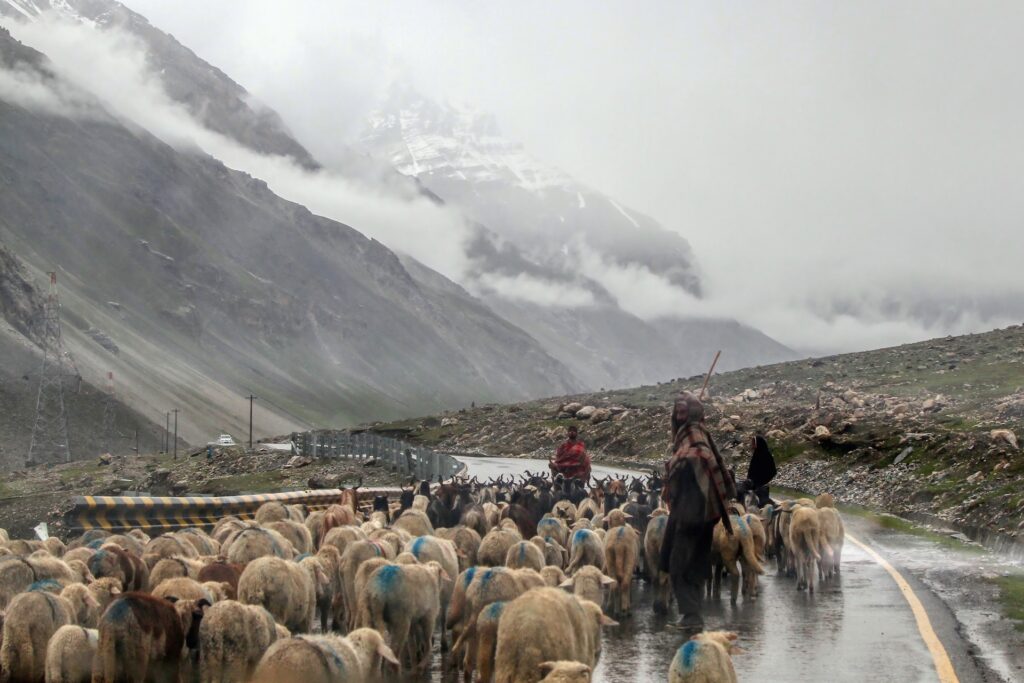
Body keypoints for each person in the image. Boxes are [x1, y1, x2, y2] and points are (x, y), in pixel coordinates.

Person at [659, 391, 736, 630]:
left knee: (679, 562)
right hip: (702, 511)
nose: (678, 416)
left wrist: (675, 463)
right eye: (676, 412)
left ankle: (692, 616)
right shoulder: (693, 433)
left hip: (692, 511)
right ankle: (693, 614)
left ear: (692, 413)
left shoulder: (693, 435)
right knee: (694, 562)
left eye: (683, 412)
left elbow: (700, 456)